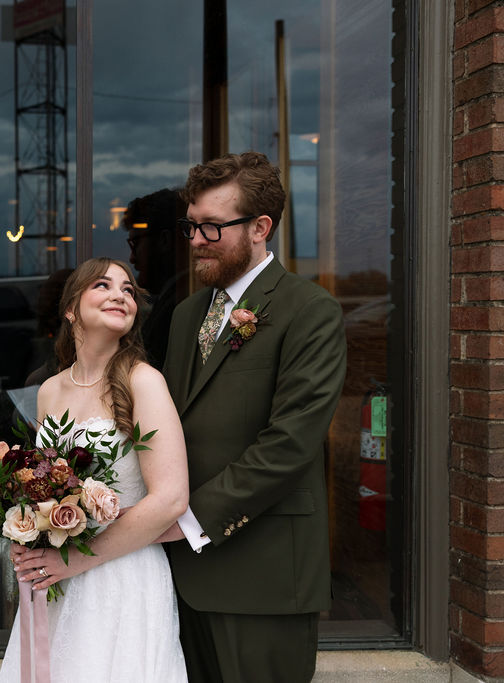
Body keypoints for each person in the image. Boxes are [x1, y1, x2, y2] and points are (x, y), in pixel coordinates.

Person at [159, 151, 347, 682]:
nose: (195, 240)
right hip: (177, 575)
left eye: (212, 227)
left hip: (262, 573)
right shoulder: (185, 315)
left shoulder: (310, 311)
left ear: (261, 227)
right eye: (191, 226)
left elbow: (289, 443)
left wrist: (186, 521)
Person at [0, 257, 189, 682]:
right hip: (58, 576)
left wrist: (76, 562)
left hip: (123, 575)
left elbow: (172, 498)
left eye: (128, 289)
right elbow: (42, 485)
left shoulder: (143, 381)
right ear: (70, 309)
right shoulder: (49, 390)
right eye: (103, 285)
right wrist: (26, 530)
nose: (119, 294)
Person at [123, 188, 187, 367]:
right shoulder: (171, 298)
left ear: (164, 241)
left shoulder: (179, 303)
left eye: (136, 244)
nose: (132, 258)